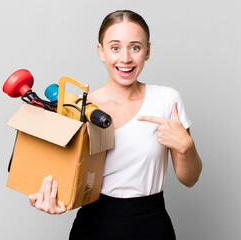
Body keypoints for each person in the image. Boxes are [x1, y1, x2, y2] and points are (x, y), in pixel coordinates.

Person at [28, 10, 202, 240]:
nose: (126, 58)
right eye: (115, 47)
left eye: (135, 47)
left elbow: (189, 179)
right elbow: (63, 175)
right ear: (101, 51)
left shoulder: (167, 100)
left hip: (151, 225)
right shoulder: (81, 107)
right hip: (94, 225)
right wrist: (49, 197)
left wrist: (186, 147)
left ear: (147, 51)